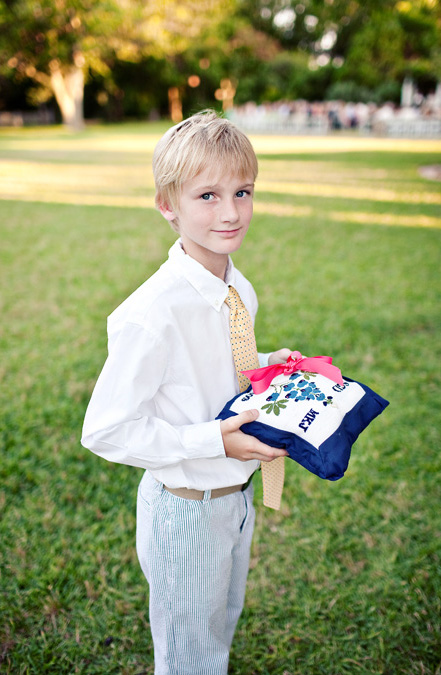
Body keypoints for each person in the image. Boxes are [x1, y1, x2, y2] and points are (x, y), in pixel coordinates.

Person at [82, 110, 292, 673]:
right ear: (166, 204)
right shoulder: (151, 314)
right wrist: (215, 442)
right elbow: (106, 429)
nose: (230, 212)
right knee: (187, 656)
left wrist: (277, 365)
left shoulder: (234, 285)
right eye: (207, 196)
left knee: (217, 631)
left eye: (242, 191)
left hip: (235, 499)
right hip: (186, 507)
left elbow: (222, 368)